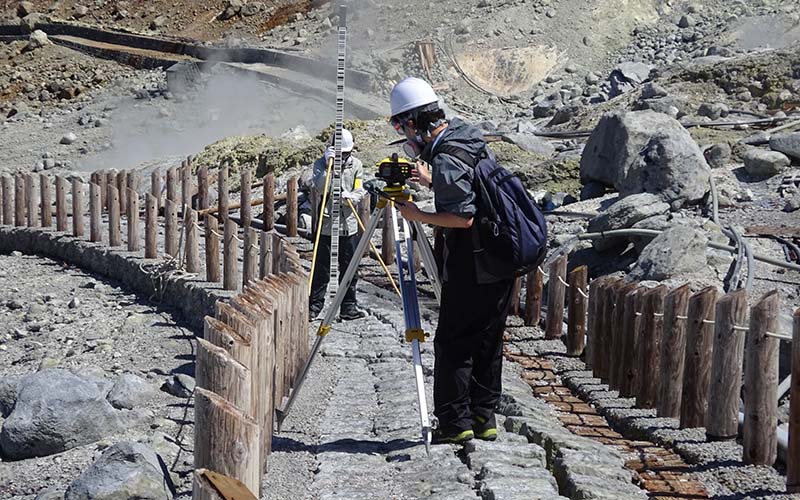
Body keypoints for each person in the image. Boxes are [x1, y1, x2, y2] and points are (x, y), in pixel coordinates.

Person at [390, 77, 514, 444]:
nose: (405, 136)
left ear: (413, 123)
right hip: (501, 256)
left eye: (401, 127)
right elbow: (473, 189)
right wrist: (432, 183)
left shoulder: (445, 156)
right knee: (488, 339)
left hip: (473, 260)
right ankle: (484, 417)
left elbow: (463, 217)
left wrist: (417, 215)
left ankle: (454, 424)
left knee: (455, 340)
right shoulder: (468, 137)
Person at [309, 128, 367, 321]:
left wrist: (350, 196)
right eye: (340, 153)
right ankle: (314, 306)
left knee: (349, 267)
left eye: (346, 153)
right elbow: (319, 186)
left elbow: (360, 189)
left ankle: (348, 306)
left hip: (348, 224)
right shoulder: (320, 164)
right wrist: (328, 167)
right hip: (326, 224)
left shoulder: (356, 165)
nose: (343, 156)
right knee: (321, 268)